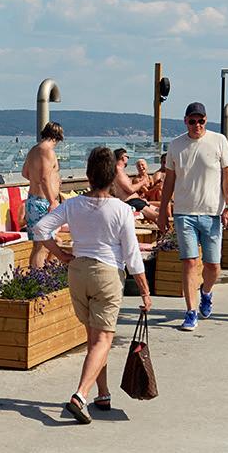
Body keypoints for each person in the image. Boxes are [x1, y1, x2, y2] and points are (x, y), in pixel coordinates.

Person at [33, 146, 152, 424]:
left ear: (88, 175)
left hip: (78, 273)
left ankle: (103, 393)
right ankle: (80, 396)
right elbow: (132, 255)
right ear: (113, 177)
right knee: (103, 340)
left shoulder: (73, 205)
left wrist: (61, 254)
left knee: (94, 339)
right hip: (106, 275)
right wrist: (145, 291)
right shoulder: (121, 210)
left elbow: (40, 229)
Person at [157, 102, 228, 332]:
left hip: (212, 212)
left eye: (201, 121)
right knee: (189, 262)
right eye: (192, 121)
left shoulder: (219, 141)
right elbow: (169, 180)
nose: (197, 125)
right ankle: (190, 311)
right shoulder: (176, 145)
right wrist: (163, 209)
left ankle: (206, 292)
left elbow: (227, 177)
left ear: (206, 120)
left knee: (213, 266)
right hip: (184, 213)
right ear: (185, 121)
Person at [21, 121, 63, 270]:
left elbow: (25, 173)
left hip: (34, 200)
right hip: (43, 202)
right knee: (42, 246)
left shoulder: (34, 150)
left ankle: (43, 276)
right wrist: (52, 201)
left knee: (46, 243)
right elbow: (44, 178)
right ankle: (38, 278)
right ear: (57, 137)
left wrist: (38, 181)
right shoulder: (48, 151)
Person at [111, 148, 158, 222]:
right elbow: (130, 189)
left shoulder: (120, 171)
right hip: (132, 202)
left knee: (160, 211)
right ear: (123, 157)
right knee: (158, 217)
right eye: (127, 157)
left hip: (137, 201)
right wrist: (143, 182)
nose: (128, 159)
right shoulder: (118, 172)